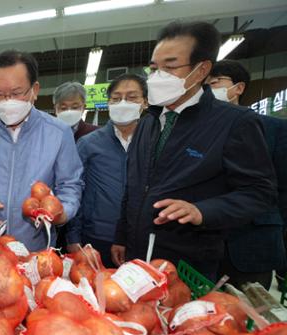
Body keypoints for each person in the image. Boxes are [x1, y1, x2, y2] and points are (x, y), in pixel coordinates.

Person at [111, 21, 276, 280]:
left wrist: (203, 211)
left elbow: (258, 193)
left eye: (170, 67)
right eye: (154, 68)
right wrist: (121, 236)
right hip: (138, 255)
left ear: (201, 70)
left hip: (188, 263)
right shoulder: (148, 122)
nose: (158, 76)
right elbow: (133, 186)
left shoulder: (234, 123)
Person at [0, 49, 83, 251]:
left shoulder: (58, 133)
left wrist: (62, 212)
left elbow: (70, 184)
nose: (8, 101)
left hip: (38, 248)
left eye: (16, 93)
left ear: (34, 89)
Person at [208, 60, 287, 288]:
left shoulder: (273, 129)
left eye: (215, 82)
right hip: (204, 243)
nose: (209, 89)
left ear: (239, 88)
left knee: (250, 314)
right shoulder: (199, 132)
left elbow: (282, 187)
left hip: (252, 241)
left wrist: (272, 224)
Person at [67, 74, 148, 267]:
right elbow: (74, 189)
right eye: (116, 98)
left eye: (132, 97)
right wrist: (72, 237)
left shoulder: (153, 143)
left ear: (145, 102)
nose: (123, 103)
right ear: (109, 103)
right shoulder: (89, 143)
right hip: (96, 236)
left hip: (140, 238)